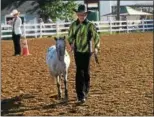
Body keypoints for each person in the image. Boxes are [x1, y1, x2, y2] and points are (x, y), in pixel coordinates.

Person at [67, 4, 100, 103]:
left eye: (84, 14)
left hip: (87, 52)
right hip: (77, 51)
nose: (82, 16)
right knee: (79, 72)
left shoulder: (90, 25)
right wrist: (71, 43)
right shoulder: (73, 25)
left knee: (86, 73)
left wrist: (96, 48)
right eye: (80, 14)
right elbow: (70, 36)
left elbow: (96, 38)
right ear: (77, 14)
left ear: (86, 15)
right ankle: (80, 95)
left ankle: (85, 91)